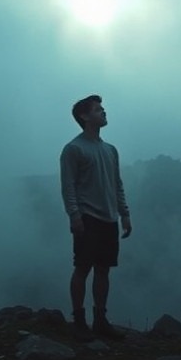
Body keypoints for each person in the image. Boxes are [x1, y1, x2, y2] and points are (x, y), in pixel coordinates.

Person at [60, 94, 132, 341]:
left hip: (109, 218)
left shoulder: (110, 150)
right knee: (82, 268)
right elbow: (68, 186)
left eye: (103, 109)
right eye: (98, 109)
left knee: (103, 270)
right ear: (84, 116)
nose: (104, 112)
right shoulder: (73, 149)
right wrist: (74, 216)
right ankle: (79, 321)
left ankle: (100, 320)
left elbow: (117, 184)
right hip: (88, 217)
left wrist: (125, 214)